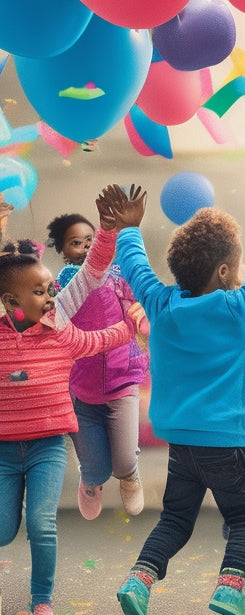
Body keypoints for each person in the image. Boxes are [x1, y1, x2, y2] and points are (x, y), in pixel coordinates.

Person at [106, 161, 245, 615]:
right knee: (244, 520)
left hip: (183, 443)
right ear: (223, 271)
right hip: (226, 443)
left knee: (175, 519)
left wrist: (130, 229)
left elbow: (135, 267)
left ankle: (138, 581)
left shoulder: (160, 302)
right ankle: (230, 589)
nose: (242, 272)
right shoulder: (238, 308)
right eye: (236, 265)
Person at [0, 195, 133, 615]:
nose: (51, 294)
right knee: (3, 532)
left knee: (42, 524)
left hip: (46, 448)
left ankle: (42, 605)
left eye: (50, 288)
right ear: (9, 301)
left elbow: (96, 298)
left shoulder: (61, 327)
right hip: (2, 453)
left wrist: (108, 229)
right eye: (39, 291)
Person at [46, 210, 149, 520]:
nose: (85, 246)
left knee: (122, 463)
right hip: (82, 389)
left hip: (121, 382)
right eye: (76, 243)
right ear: (62, 251)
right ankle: (90, 483)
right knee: (96, 468)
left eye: (90, 240)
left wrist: (142, 317)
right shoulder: (62, 285)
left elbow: (134, 301)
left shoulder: (118, 275)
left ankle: (130, 475)